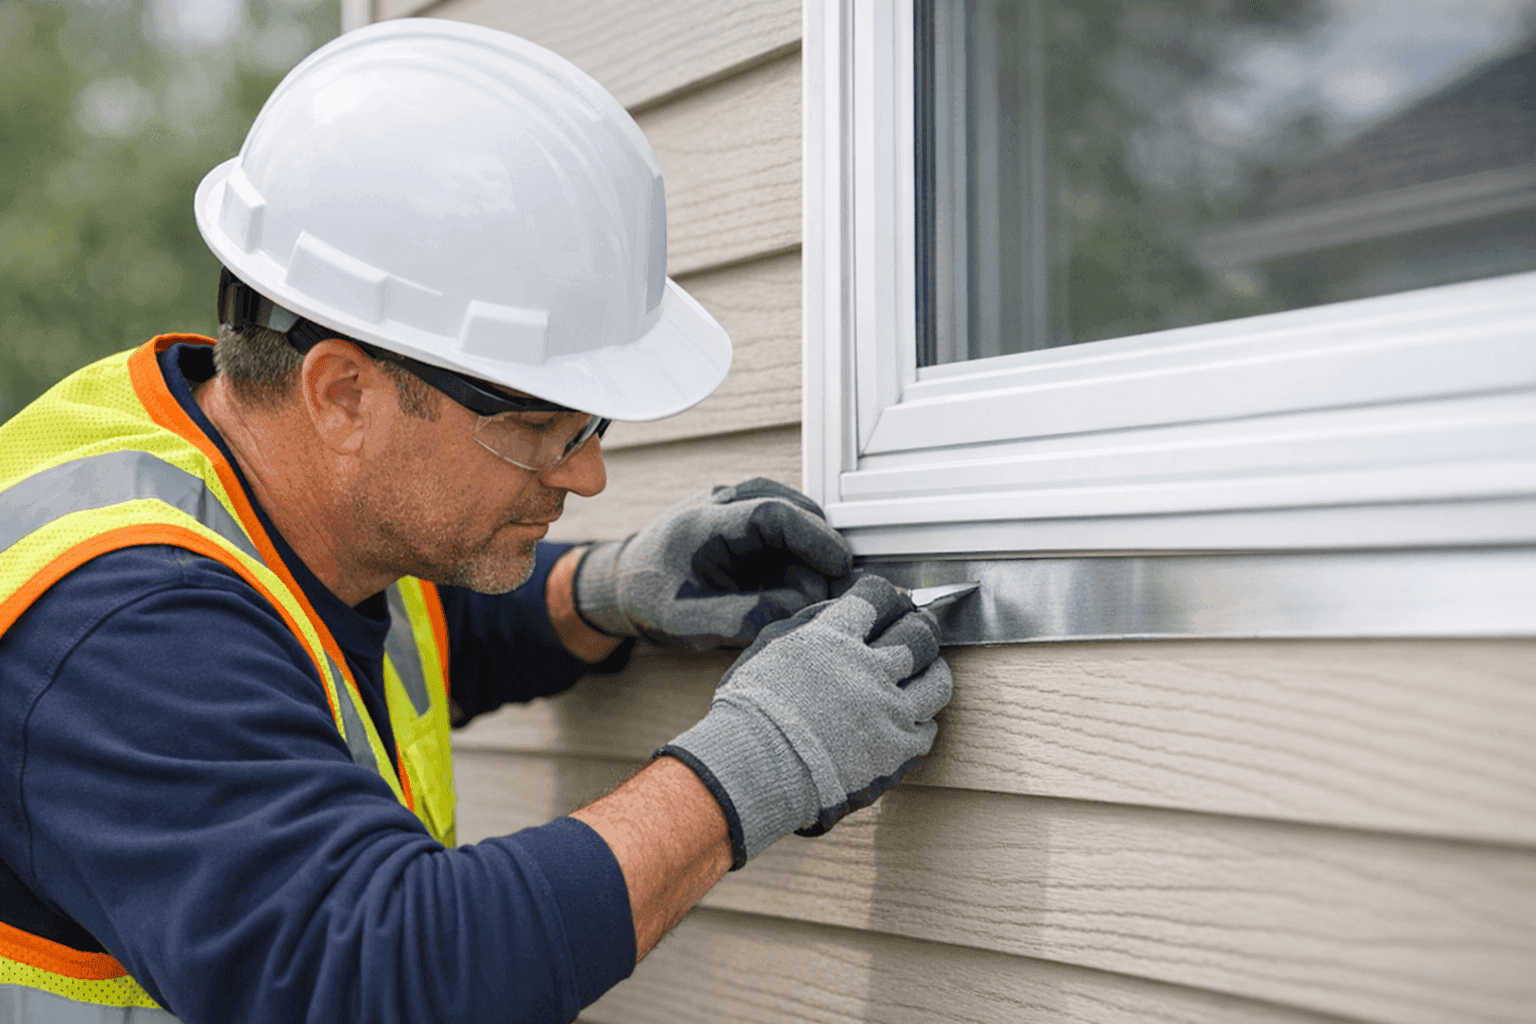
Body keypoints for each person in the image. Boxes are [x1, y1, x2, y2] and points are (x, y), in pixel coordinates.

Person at [0, 19, 952, 1024]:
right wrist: (759, 760)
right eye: (538, 425)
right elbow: (376, 974)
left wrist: (601, 590)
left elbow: (363, 642)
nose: (586, 472)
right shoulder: (122, 625)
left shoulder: (253, 474)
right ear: (342, 395)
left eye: (591, 423)